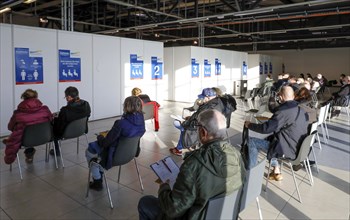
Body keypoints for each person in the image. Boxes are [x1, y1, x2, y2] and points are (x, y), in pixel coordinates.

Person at [138, 109, 245, 220]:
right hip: (225, 215)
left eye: (197, 126)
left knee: (145, 202)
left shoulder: (194, 164)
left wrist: (163, 188)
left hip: (197, 216)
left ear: (203, 132)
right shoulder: (237, 154)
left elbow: (173, 209)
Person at [244, 86, 308, 181]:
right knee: (270, 140)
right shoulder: (301, 110)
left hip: (287, 150)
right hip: (299, 147)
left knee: (252, 142)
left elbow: (266, 129)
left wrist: (249, 125)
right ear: (293, 96)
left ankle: (252, 174)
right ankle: (276, 170)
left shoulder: (283, 112)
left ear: (281, 97)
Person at [86, 96, 146, 191]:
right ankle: (100, 170)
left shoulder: (120, 123)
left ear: (127, 106)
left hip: (113, 156)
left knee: (89, 151)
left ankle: (97, 179)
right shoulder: (141, 120)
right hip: (129, 154)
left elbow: (105, 143)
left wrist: (99, 136)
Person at [4, 89, 52, 164]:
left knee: (22, 133)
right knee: (31, 130)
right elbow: (51, 119)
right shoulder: (45, 110)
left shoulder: (18, 114)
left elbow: (10, 127)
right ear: (36, 97)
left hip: (26, 140)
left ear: (24, 98)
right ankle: (29, 155)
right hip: (45, 137)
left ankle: (29, 155)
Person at [170, 88, 217, 156]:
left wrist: (184, 122)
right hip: (205, 126)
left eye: (203, 97)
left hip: (197, 128)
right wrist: (189, 118)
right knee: (182, 127)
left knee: (177, 124)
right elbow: (197, 117)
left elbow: (197, 120)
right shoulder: (213, 104)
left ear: (208, 97)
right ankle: (182, 146)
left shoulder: (207, 107)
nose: (202, 99)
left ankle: (180, 148)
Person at [50, 86, 91, 155]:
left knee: (53, 129)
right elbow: (85, 115)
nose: (65, 98)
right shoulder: (86, 104)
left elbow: (59, 128)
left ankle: (57, 151)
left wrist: (55, 119)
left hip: (67, 133)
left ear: (69, 97)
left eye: (65, 97)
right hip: (82, 130)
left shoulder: (65, 110)